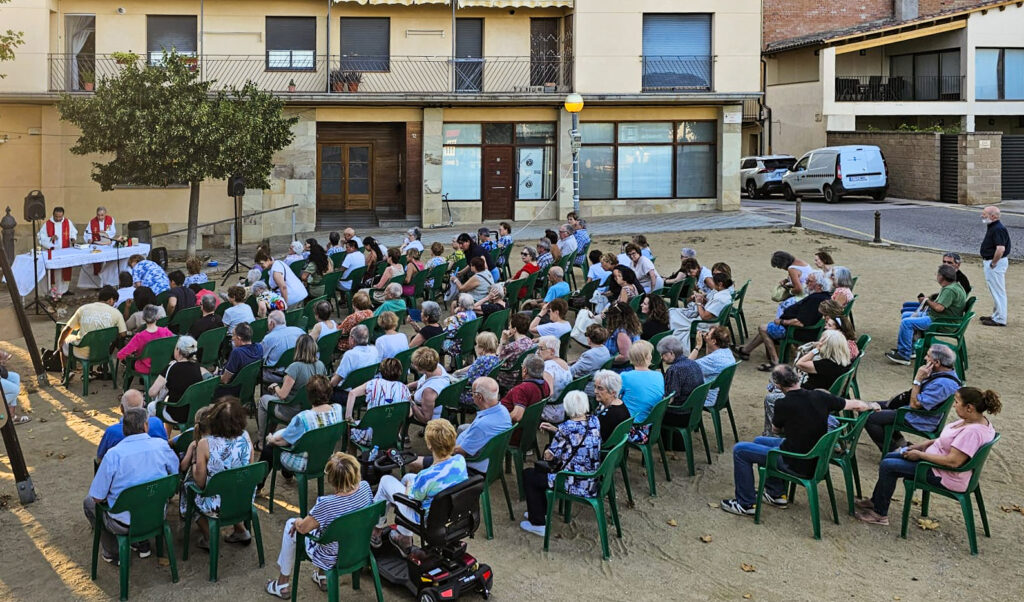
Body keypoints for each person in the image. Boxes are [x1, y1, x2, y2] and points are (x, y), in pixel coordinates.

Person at [720, 365, 880, 517]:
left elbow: (776, 430)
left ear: (778, 384)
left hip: (795, 461)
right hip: (815, 457)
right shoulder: (820, 396)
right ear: (797, 379)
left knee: (740, 450)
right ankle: (775, 493)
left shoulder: (783, 403)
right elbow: (855, 405)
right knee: (759, 440)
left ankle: (745, 504)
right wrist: (871, 405)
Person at [856, 387, 1000, 526]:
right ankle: (876, 501)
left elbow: (953, 462)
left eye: (956, 402)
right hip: (935, 463)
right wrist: (922, 445)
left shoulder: (972, 432)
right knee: (889, 456)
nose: (954, 405)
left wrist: (921, 455)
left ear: (969, 407)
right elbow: (947, 440)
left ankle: (880, 514)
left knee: (888, 466)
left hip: (944, 475)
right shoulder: (973, 419)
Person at [265, 452, 372, 599]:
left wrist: (297, 521)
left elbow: (302, 528)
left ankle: (282, 584)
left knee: (292, 525)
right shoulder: (365, 488)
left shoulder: (326, 504)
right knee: (331, 530)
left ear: (332, 480)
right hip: (358, 548)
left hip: (332, 557)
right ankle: (322, 578)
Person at [85, 407, 178, 564]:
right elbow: (174, 474)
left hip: (124, 521)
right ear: (146, 426)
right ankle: (141, 542)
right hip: (157, 514)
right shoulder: (161, 446)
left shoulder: (114, 455)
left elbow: (97, 497)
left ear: (124, 429)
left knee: (88, 503)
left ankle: (113, 552)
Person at [372, 419, 468, 552]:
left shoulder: (426, 476)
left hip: (423, 516)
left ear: (429, 445)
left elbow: (411, 497)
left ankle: (376, 531)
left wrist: (410, 485)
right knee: (407, 477)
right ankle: (404, 537)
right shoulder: (460, 461)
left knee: (385, 481)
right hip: (448, 511)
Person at [520, 391, 602, 536]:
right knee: (539, 474)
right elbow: (577, 435)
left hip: (573, 481)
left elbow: (549, 457)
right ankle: (539, 512)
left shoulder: (567, 427)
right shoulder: (594, 421)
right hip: (590, 478)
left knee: (530, 475)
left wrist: (557, 436)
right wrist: (557, 431)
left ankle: (538, 523)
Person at [865, 344, 962, 453]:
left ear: (937, 363)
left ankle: (893, 452)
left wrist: (918, 379)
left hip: (921, 418)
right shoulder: (945, 373)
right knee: (866, 407)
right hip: (916, 411)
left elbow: (914, 405)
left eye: (928, 356)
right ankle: (901, 443)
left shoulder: (943, 385)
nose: (925, 358)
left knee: (870, 418)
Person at [188, 398, 254, 549]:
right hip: (242, 498)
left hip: (216, 504)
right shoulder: (245, 436)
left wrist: (193, 464)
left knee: (188, 488)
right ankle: (241, 529)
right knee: (230, 484)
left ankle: (209, 536)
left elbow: (200, 482)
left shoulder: (206, 443)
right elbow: (249, 469)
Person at [737, 270, 831, 370]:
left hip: (797, 331)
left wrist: (782, 322)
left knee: (763, 328)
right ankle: (745, 351)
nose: (806, 282)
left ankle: (775, 361)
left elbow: (800, 322)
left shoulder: (815, 300)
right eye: (807, 280)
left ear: (819, 286)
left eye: (810, 281)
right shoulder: (824, 296)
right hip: (804, 329)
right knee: (768, 327)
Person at [260, 374, 342, 480]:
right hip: (325, 457)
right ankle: (287, 475)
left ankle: (257, 486)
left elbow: (281, 442)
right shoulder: (337, 409)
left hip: (305, 463)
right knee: (294, 438)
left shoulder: (303, 418)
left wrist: (270, 439)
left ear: (308, 395)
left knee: (269, 448)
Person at [885, 264, 966, 365]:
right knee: (906, 315)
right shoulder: (955, 286)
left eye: (938, 274)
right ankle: (911, 349)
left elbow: (939, 308)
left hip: (941, 322)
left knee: (906, 323)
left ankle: (904, 355)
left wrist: (926, 301)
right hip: (943, 318)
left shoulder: (949, 290)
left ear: (942, 277)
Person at [259, 334, 327, 436]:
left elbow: (282, 395)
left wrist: (275, 387)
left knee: (263, 400)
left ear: (298, 348)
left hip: (291, 411)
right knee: (273, 398)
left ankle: (261, 439)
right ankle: (270, 433)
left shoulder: (294, 368)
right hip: (310, 408)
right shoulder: (321, 365)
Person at [57, 285, 127, 375]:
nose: (114, 304)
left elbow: (67, 329)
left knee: (65, 339)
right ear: (110, 300)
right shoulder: (116, 313)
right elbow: (123, 334)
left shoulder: (83, 309)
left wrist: (59, 344)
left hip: (83, 352)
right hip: (103, 352)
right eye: (114, 301)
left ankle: (66, 372)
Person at [450, 377, 512, 473]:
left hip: (475, 465)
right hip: (491, 457)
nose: (471, 395)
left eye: (472, 392)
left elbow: (461, 450)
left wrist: (443, 448)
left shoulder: (481, 425)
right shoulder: (502, 410)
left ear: (479, 397)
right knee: (462, 428)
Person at [346, 358, 412, 445]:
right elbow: (409, 413)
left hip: (370, 436)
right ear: (400, 372)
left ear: (381, 371)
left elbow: (352, 393)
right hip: (391, 436)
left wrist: (349, 418)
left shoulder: (373, 383)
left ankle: (353, 456)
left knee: (350, 430)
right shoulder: (404, 388)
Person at [146, 336, 205, 429]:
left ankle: (153, 435)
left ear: (178, 350)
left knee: (151, 406)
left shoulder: (171, 367)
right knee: (169, 403)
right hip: (193, 411)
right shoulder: (197, 367)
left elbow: (152, 392)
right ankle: (167, 435)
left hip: (175, 414)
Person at [667, 272, 734, 353]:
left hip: (704, 324)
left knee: (672, 314)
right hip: (711, 321)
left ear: (720, 284)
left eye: (714, 283)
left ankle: (674, 346)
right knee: (674, 312)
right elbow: (711, 307)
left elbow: (704, 316)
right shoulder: (726, 294)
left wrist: (698, 302)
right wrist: (702, 299)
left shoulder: (720, 300)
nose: (713, 284)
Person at [97, 390, 170, 459]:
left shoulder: (112, 431)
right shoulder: (156, 422)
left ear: (122, 408)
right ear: (143, 405)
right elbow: (165, 445)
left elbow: (100, 458)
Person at [620, 340, 664, 442]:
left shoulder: (625, 376)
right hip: (652, 426)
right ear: (649, 357)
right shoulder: (659, 375)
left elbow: (613, 397)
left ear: (630, 358)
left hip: (632, 427)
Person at [500, 355, 550, 444]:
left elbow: (517, 416)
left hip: (511, 433)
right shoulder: (545, 385)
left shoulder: (522, 389)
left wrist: (497, 419)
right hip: (529, 431)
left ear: (525, 370)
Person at [117, 305, 173, 376]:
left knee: (130, 361)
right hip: (163, 365)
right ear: (157, 317)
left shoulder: (139, 336)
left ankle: (127, 385)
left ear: (143, 318)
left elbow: (121, 354)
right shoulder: (166, 332)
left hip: (145, 368)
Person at [37, 206, 79, 296]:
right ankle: (53, 291)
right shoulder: (47, 224)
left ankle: (64, 290)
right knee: (56, 272)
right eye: (56, 217)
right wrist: (50, 238)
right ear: (53, 215)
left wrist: (73, 239)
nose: (59, 219)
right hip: (53, 253)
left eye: (60, 217)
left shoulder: (67, 222)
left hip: (65, 251)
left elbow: (73, 232)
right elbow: (40, 237)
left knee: (64, 271)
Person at [691, 325, 735, 409]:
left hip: (707, 397)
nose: (705, 335)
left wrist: (698, 346)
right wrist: (708, 342)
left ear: (714, 341)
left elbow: (685, 367)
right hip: (720, 395)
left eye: (708, 334)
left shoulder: (713, 359)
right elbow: (709, 357)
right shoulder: (727, 352)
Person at [980, 206, 1010, 327]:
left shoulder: (998, 228)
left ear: (993, 216)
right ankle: (996, 315)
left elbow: (1000, 249)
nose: (982, 216)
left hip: (995, 263)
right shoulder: (994, 226)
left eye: (984, 214)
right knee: (996, 290)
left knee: (998, 291)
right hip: (994, 262)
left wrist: (993, 263)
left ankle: (1000, 318)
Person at [214, 323, 263, 398]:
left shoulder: (237, 352)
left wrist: (214, 377)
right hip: (248, 388)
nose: (232, 338)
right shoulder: (259, 347)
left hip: (231, 390)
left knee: (203, 373)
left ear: (239, 338)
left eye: (233, 335)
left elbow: (225, 380)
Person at [453, 332, 501, 406]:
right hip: (487, 391)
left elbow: (467, 380)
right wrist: (460, 371)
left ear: (482, 348)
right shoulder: (496, 358)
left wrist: (453, 378)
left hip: (473, 394)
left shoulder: (481, 360)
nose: (476, 346)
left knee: (448, 391)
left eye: (477, 345)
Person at [659, 335, 704, 408]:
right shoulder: (694, 363)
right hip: (694, 408)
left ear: (671, 353)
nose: (661, 358)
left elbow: (670, 399)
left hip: (679, 411)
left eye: (663, 354)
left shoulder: (674, 370)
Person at [407, 347, 450, 423]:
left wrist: (410, 402)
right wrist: (407, 386)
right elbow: (423, 381)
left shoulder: (429, 391)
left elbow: (426, 418)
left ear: (422, 369)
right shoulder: (437, 366)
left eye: (415, 364)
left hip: (434, 417)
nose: (413, 365)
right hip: (442, 407)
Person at [261, 310, 305, 383]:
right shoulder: (299, 331)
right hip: (298, 371)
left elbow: (260, 358)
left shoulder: (269, 338)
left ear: (271, 323)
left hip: (277, 376)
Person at [497, 312, 536, 391]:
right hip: (523, 375)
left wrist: (502, 341)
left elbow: (497, 361)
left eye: (510, 326)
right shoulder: (530, 342)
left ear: (514, 329)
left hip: (509, 379)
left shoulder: (512, 347)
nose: (508, 327)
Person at [570, 325, 611, 396]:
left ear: (589, 339)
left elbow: (572, 371)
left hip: (586, 386)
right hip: (598, 382)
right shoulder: (605, 350)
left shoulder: (589, 355)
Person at [592, 370, 631, 442]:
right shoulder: (619, 403)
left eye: (600, 388)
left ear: (612, 392)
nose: (595, 391)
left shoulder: (610, 415)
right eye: (595, 387)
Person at [604, 301, 642, 371]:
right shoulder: (631, 326)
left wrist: (605, 361)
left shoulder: (621, 333)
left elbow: (625, 356)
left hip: (619, 371)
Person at [537, 335, 571, 411]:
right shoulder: (565, 364)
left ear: (552, 351)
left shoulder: (548, 367)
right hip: (565, 407)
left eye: (541, 349)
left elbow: (548, 394)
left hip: (551, 410)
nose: (538, 352)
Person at [441, 294, 478, 362]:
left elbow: (445, 322)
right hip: (469, 342)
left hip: (459, 345)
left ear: (461, 305)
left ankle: (444, 367)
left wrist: (456, 312)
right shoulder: (473, 314)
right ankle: (452, 364)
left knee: (439, 343)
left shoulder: (461, 316)